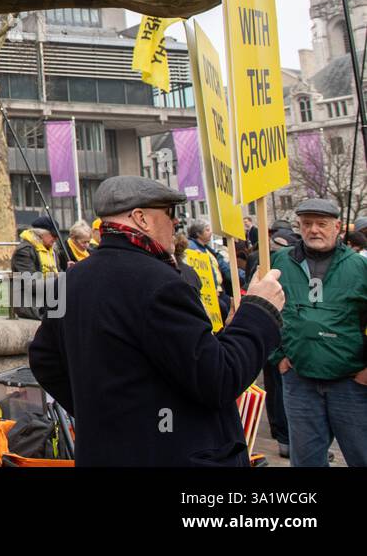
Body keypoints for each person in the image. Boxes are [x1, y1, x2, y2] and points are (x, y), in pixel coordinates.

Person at [29, 175, 285, 466]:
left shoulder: (72, 279)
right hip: (171, 453)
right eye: (169, 212)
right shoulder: (160, 284)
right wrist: (260, 311)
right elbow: (219, 378)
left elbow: (43, 359)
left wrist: (102, 416)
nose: (175, 223)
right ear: (141, 218)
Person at [270, 197, 367, 467]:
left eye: (322, 224)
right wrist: (278, 357)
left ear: (337, 227)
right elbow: (264, 310)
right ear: (298, 227)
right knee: (306, 461)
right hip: (299, 381)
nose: (314, 230)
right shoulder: (280, 262)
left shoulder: (359, 267)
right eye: (307, 224)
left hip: (350, 382)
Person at [10, 216, 64, 319]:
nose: (56, 238)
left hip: (51, 298)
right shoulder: (24, 251)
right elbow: (31, 284)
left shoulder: (52, 251)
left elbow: (59, 275)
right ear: (40, 234)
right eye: (53, 235)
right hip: (32, 304)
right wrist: (61, 282)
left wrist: (71, 272)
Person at [187, 220, 231, 315]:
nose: (210, 232)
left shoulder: (206, 249)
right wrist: (212, 289)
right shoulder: (192, 248)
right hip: (211, 294)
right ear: (198, 233)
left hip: (219, 291)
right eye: (207, 230)